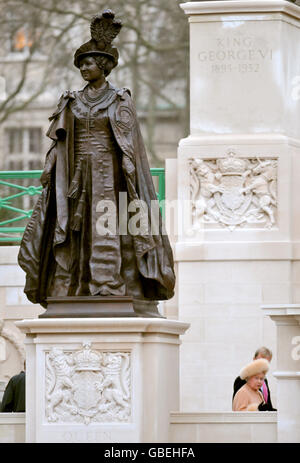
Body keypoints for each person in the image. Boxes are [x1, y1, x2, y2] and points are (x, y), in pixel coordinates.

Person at [17, 10, 175, 316]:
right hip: (74, 174)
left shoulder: (119, 99)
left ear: (103, 66)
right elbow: (58, 140)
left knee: (107, 227)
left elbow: (129, 142)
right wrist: (50, 166)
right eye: (81, 64)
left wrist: (129, 171)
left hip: (109, 175)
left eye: (89, 63)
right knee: (73, 228)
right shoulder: (72, 100)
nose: (84, 69)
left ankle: (106, 283)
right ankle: (73, 284)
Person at [233, 346, 276, 411]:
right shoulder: (242, 382)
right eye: (256, 378)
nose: (259, 381)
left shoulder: (260, 391)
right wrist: (257, 409)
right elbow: (239, 411)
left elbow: (266, 405)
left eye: (261, 379)